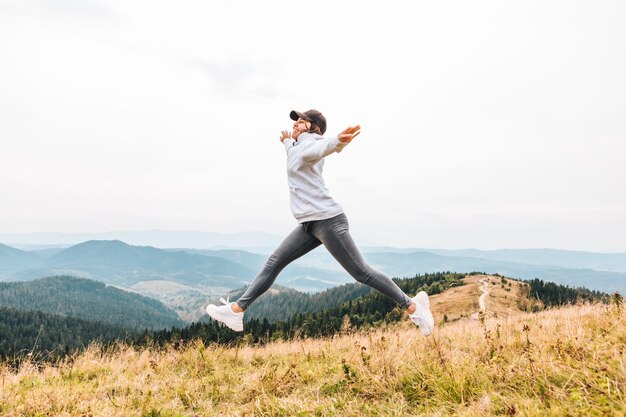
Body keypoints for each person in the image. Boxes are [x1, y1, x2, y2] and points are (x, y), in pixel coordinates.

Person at [206, 109, 435, 335]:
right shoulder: (297, 147)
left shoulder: (310, 145)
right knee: (273, 263)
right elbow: (295, 152)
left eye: (301, 121)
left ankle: (414, 308)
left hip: (328, 221)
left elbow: (320, 147)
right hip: (308, 224)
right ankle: (236, 311)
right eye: (295, 121)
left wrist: (337, 141)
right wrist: (286, 141)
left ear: (312, 126)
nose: (296, 123)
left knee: (362, 272)